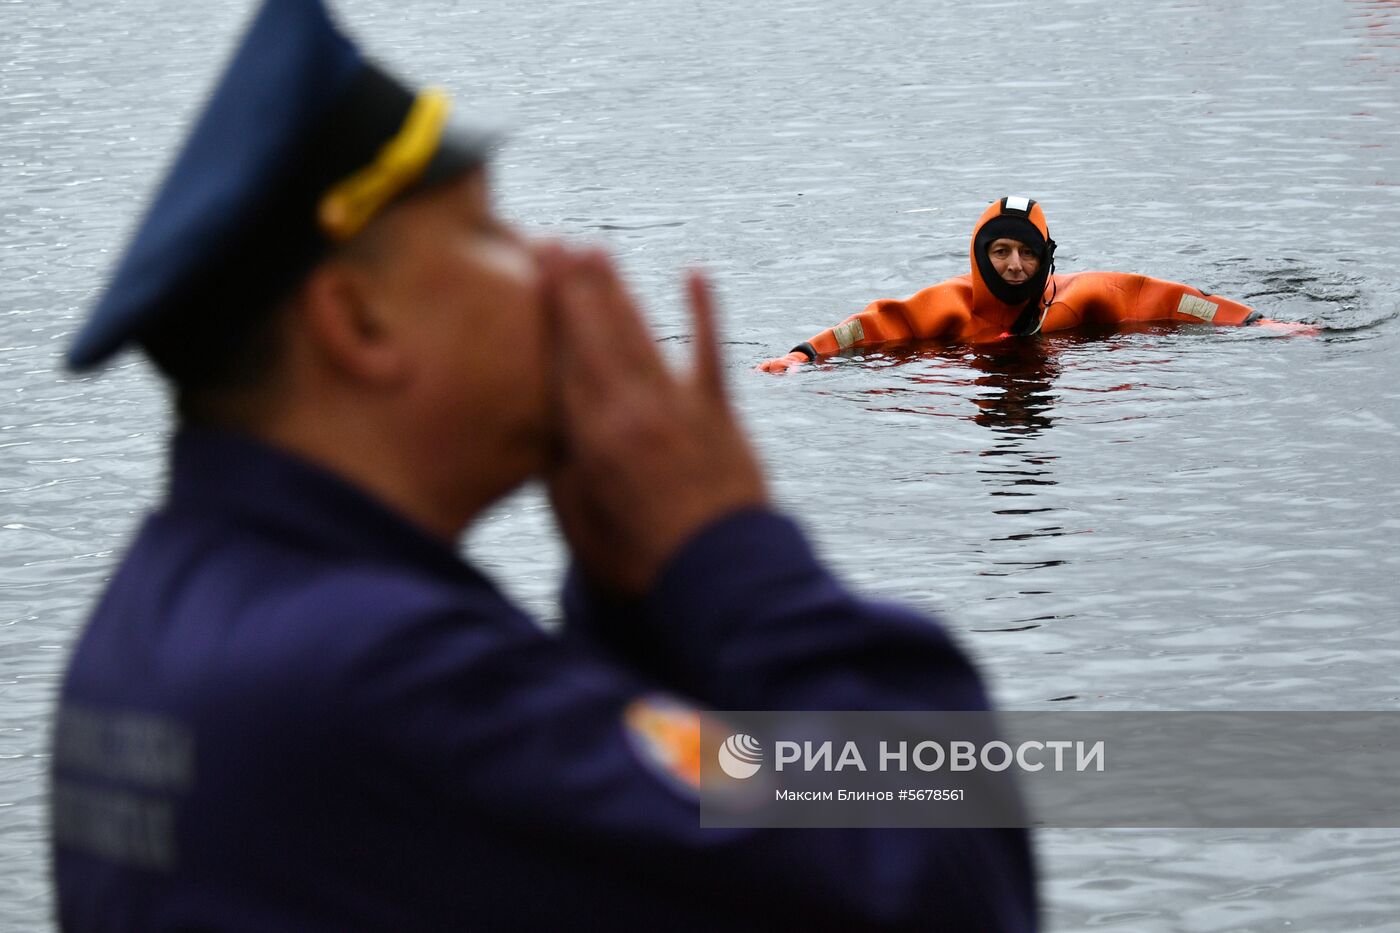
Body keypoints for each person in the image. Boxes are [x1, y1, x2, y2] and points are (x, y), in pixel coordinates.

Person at [50, 0, 1035, 930]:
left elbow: (637, 866)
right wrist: (722, 546)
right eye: (488, 232)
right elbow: (940, 879)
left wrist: (633, 599)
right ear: (357, 322)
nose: (552, 263)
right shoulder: (388, 678)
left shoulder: (148, 625)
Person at [759, 196, 1311, 372]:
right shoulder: (946, 308)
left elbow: (1176, 300)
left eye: (1027, 253)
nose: (1015, 266)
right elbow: (869, 327)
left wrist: (1259, 323)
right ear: (980, 256)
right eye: (1000, 252)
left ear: (1047, 259)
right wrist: (801, 356)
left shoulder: (1081, 298)